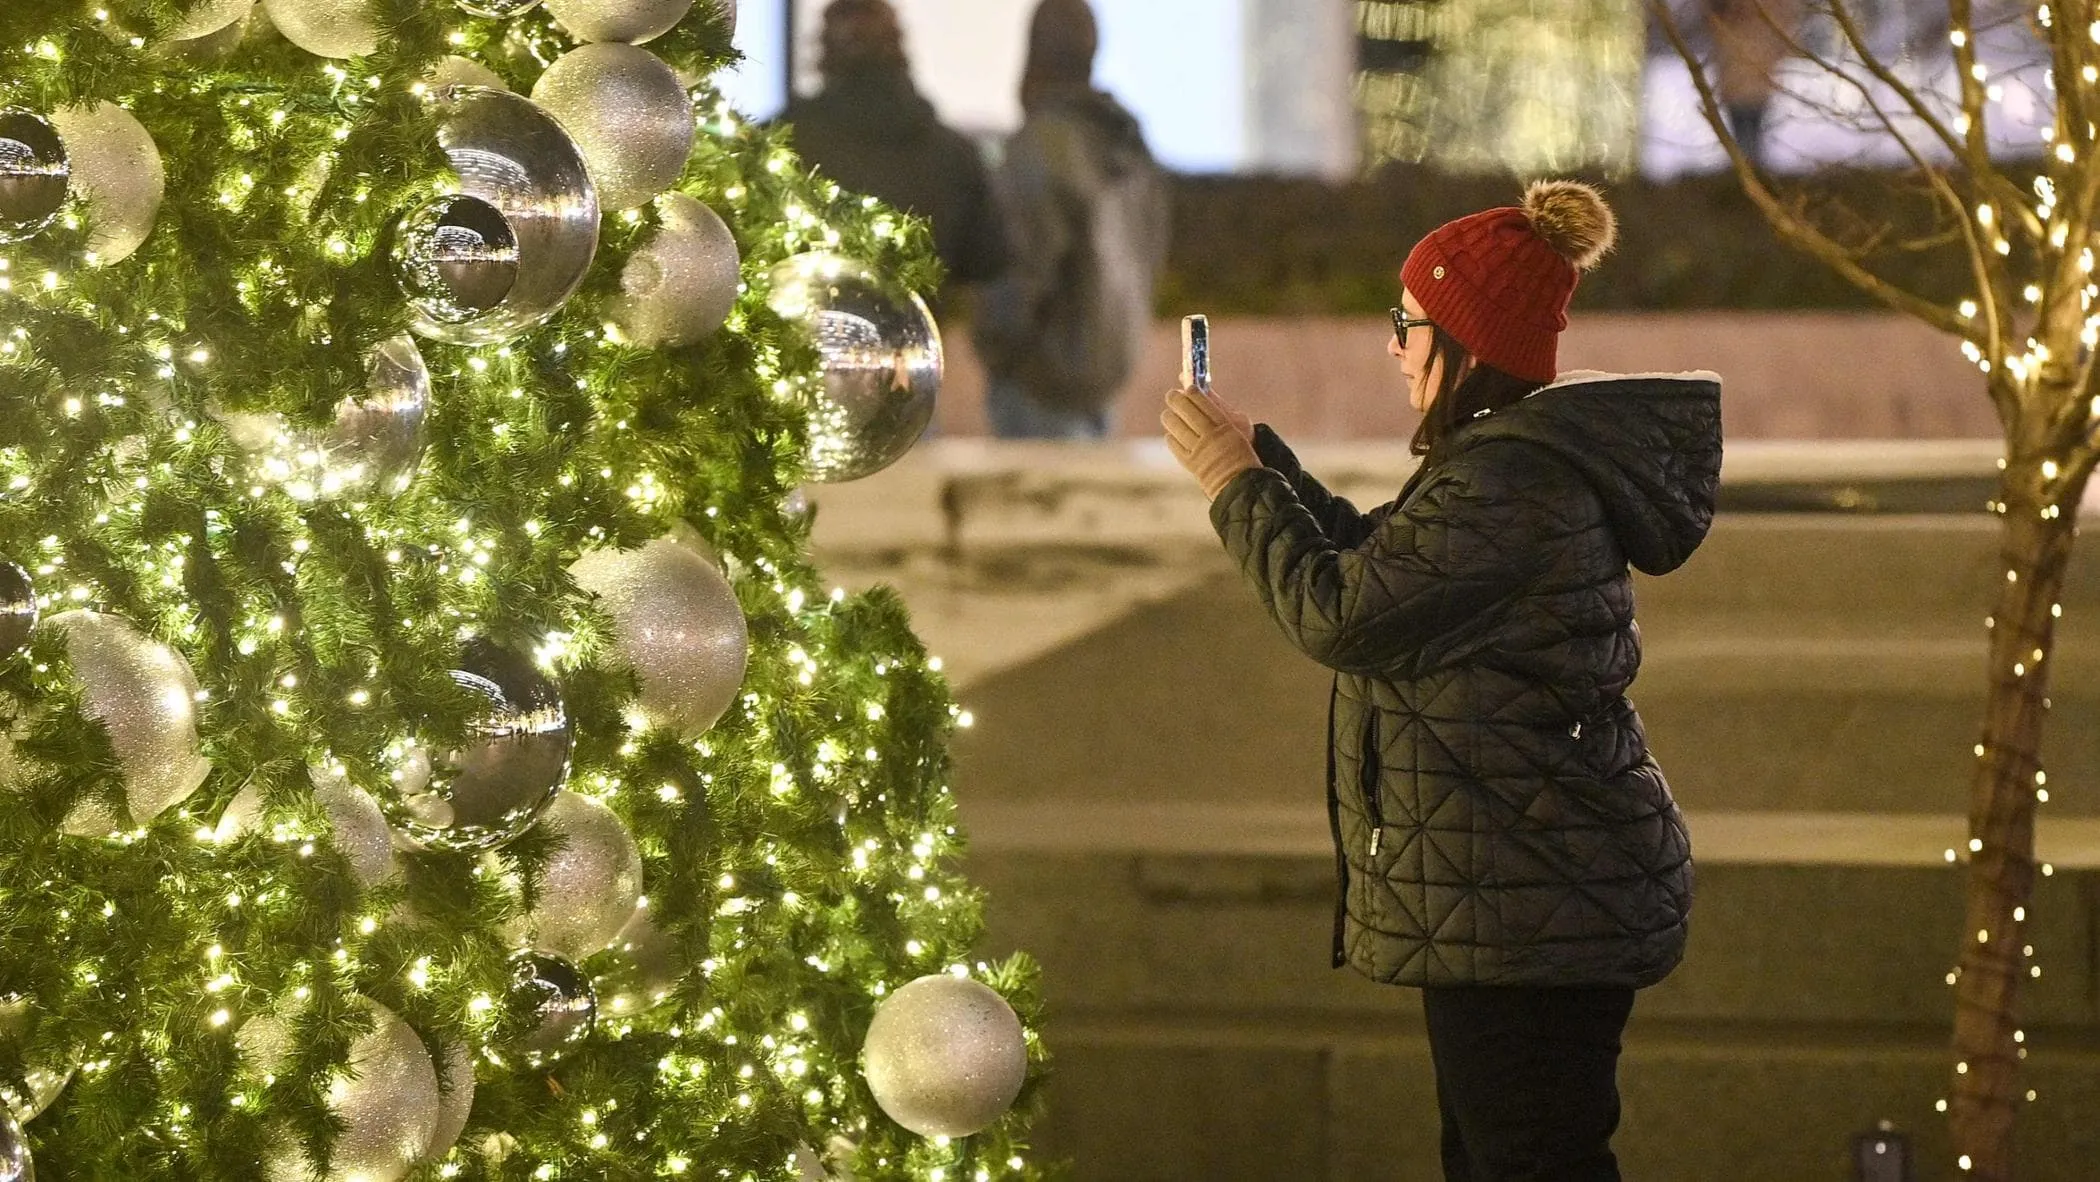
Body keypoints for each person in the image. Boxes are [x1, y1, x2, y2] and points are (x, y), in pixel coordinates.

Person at [1161, 181, 1722, 1181]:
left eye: (1407, 323)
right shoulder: (1499, 469)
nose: (1392, 345)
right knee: (1499, 1155)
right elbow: (1381, 569)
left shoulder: (1508, 486)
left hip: (1529, 895)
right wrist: (1262, 465)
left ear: (1468, 339)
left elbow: (1342, 616)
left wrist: (1231, 485)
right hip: (1516, 885)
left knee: (1528, 1159)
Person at [972, 0, 1170, 440]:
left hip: (1039, 384)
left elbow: (1020, 266)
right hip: (1103, 375)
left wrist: (996, 345)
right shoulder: (1124, 144)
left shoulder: (1043, 145)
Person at [782, 0, 1008, 297]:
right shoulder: (954, 154)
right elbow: (983, 271)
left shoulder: (786, 145)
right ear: (899, 48)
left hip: (806, 334)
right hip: (926, 337)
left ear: (824, 51)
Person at [1705, 0, 1802, 169]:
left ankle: (1748, 170)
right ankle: (1749, 170)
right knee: (1745, 128)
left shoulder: (1758, 19)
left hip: (1748, 83)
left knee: (1748, 129)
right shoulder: (1759, 18)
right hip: (1743, 83)